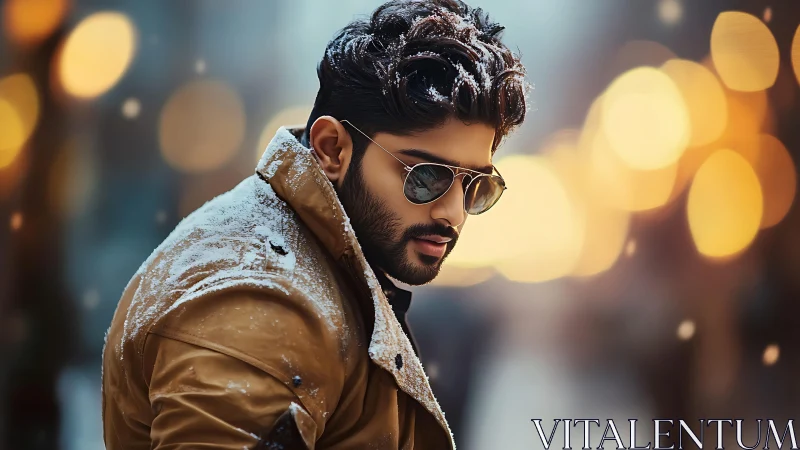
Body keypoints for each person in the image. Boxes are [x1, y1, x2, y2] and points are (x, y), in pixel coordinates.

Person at [101, 0, 529, 448]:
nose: (453, 213)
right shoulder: (262, 302)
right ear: (332, 149)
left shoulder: (309, 265)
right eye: (425, 177)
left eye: (475, 185)